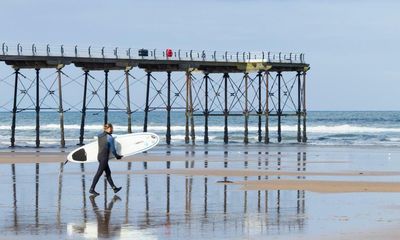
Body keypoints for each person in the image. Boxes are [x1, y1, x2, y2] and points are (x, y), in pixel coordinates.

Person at [89, 123, 123, 196]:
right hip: (104, 158)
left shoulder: (100, 136)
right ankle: (92, 189)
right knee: (99, 173)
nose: (112, 130)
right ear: (107, 129)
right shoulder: (110, 138)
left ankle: (114, 188)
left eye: (112, 128)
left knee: (108, 172)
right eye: (111, 128)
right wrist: (117, 156)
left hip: (99, 156)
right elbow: (113, 150)